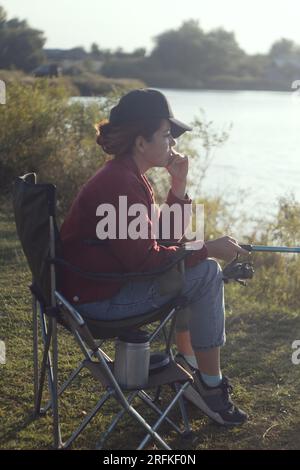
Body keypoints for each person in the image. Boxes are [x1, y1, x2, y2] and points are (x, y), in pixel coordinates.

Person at [60, 88, 248, 426]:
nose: (173, 145)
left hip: (93, 291)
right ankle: (209, 386)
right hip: (97, 301)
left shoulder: (129, 176)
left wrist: (178, 186)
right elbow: (148, 261)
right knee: (205, 272)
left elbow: (164, 239)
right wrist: (207, 249)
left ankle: (192, 369)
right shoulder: (120, 184)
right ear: (141, 142)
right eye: (166, 135)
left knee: (196, 265)